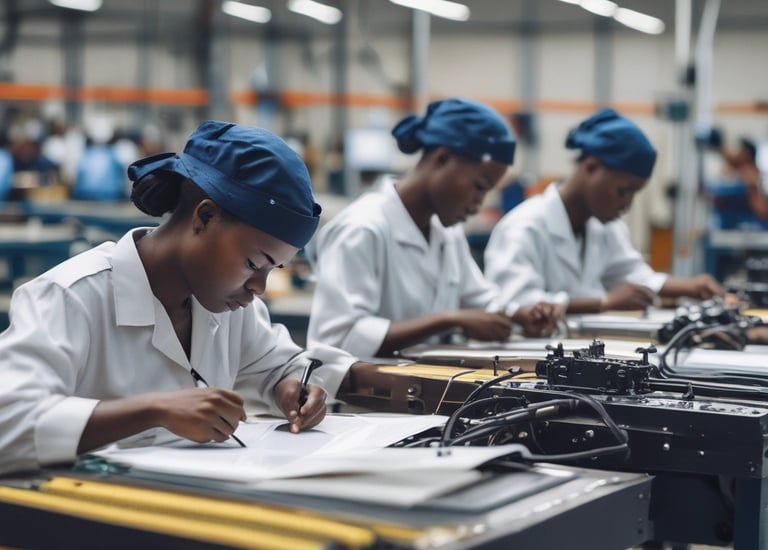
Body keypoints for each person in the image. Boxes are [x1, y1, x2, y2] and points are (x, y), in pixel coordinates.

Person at [0, 120, 357, 475]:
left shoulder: (227, 304)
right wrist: (154, 410)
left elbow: (280, 365)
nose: (259, 287)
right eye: (253, 263)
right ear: (204, 217)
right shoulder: (70, 299)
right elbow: (8, 425)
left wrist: (291, 388)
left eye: (274, 269)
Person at [307, 98, 561, 359]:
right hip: (362, 398)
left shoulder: (446, 231)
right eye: (478, 186)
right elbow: (340, 337)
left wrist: (517, 314)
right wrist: (448, 320)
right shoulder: (362, 228)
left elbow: (478, 299)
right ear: (442, 159)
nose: (479, 203)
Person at [484, 108, 725, 314]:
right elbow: (513, 302)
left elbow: (632, 276)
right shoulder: (524, 227)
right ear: (591, 167)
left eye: (634, 194)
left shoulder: (604, 226)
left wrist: (693, 287)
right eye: (622, 191)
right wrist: (602, 302)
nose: (626, 204)